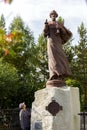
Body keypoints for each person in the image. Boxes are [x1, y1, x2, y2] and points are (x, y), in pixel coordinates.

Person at [43, 10, 72, 87]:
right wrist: (46, 26)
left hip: (58, 42)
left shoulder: (59, 23)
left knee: (60, 57)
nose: (53, 15)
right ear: (50, 16)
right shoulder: (48, 23)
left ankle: (60, 75)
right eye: (52, 14)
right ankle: (53, 75)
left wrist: (60, 29)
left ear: (56, 16)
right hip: (51, 42)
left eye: (54, 14)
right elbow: (44, 34)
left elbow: (66, 33)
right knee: (52, 58)